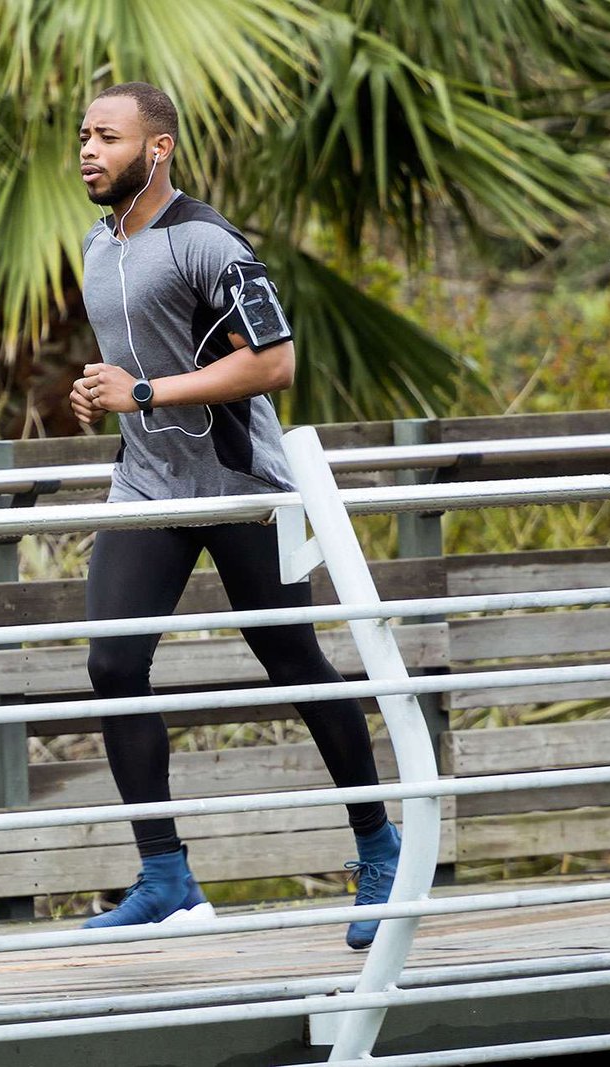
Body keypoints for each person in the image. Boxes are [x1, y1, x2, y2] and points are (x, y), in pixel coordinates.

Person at [70, 82, 401, 950]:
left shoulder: (210, 245)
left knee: (292, 659)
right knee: (112, 664)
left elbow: (276, 364)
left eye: (108, 137)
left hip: (239, 486)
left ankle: (380, 848)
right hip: (148, 488)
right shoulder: (95, 248)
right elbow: (136, 363)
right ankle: (167, 878)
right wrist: (103, 392)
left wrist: (143, 390)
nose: (89, 151)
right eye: (83, 137)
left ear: (159, 148)